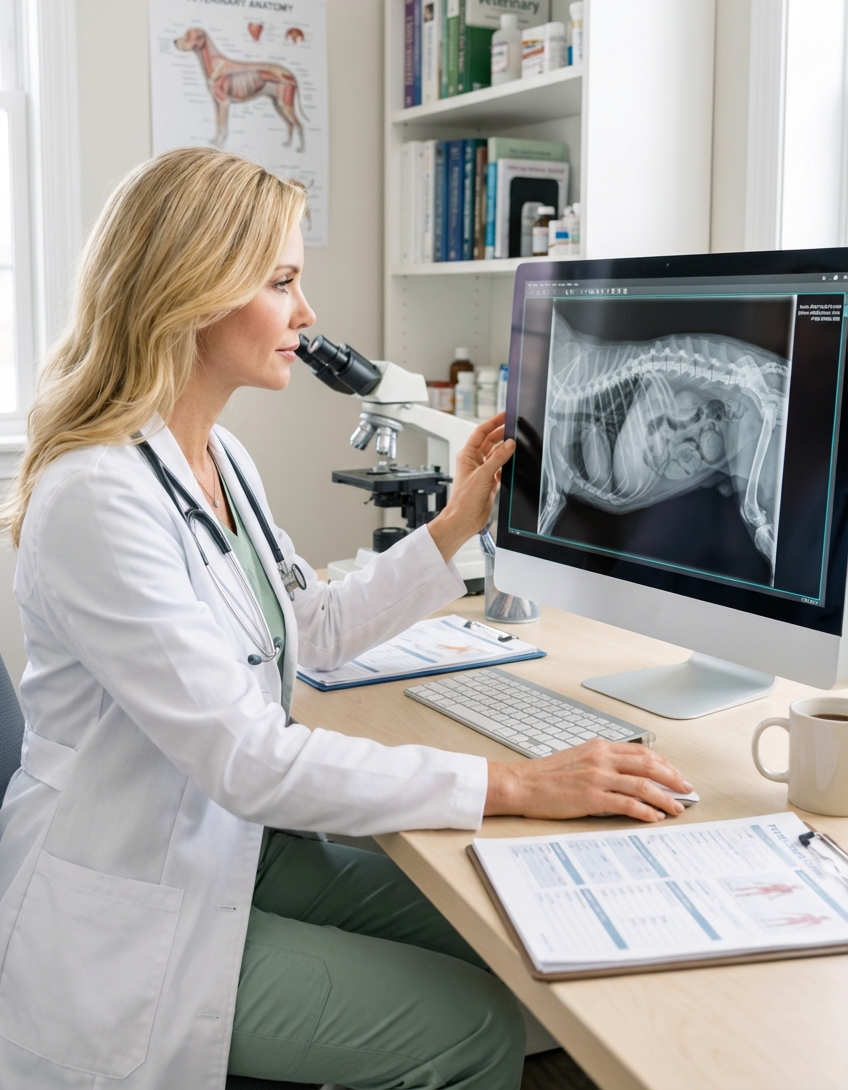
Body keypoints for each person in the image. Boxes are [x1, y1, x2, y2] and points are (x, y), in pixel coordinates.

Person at [0, 149, 691, 1090]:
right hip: (130, 900)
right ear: (190, 291)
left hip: (226, 843)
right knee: (472, 1026)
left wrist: (455, 526)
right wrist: (515, 784)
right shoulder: (96, 496)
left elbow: (307, 624)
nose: (307, 315)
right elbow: (245, 759)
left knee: (502, 928)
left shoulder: (217, 457)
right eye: (281, 282)